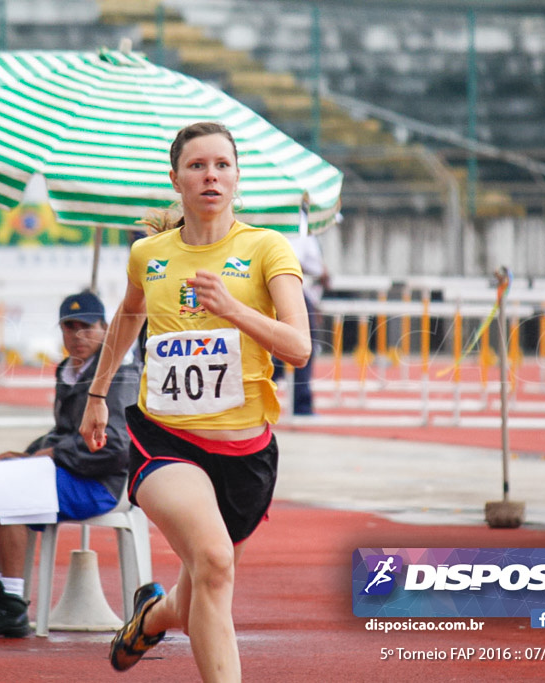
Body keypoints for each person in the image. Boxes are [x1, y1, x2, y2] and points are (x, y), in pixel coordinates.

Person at [79, 121, 311, 681]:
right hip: (167, 441)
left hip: (245, 453)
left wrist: (232, 309)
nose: (211, 175)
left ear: (236, 178)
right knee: (213, 562)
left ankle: (151, 617)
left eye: (222, 165)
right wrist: (97, 393)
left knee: (205, 584)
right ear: (176, 179)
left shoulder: (265, 248)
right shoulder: (149, 255)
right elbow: (128, 318)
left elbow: (300, 347)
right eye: (198, 166)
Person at [0, 290, 140, 638]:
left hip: (103, 484)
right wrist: (29, 453)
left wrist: (50, 456)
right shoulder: (68, 370)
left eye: (86, 327)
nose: (77, 336)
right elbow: (63, 432)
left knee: (11, 487)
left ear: (106, 328)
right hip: (68, 472)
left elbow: (118, 448)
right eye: (69, 327)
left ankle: (13, 606)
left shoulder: (120, 374)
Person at [272, 219, 329, 415]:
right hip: (291, 289)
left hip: (278, 288)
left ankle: (272, 381)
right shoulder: (301, 226)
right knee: (303, 344)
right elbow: (312, 266)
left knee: (277, 344)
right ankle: (301, 403)